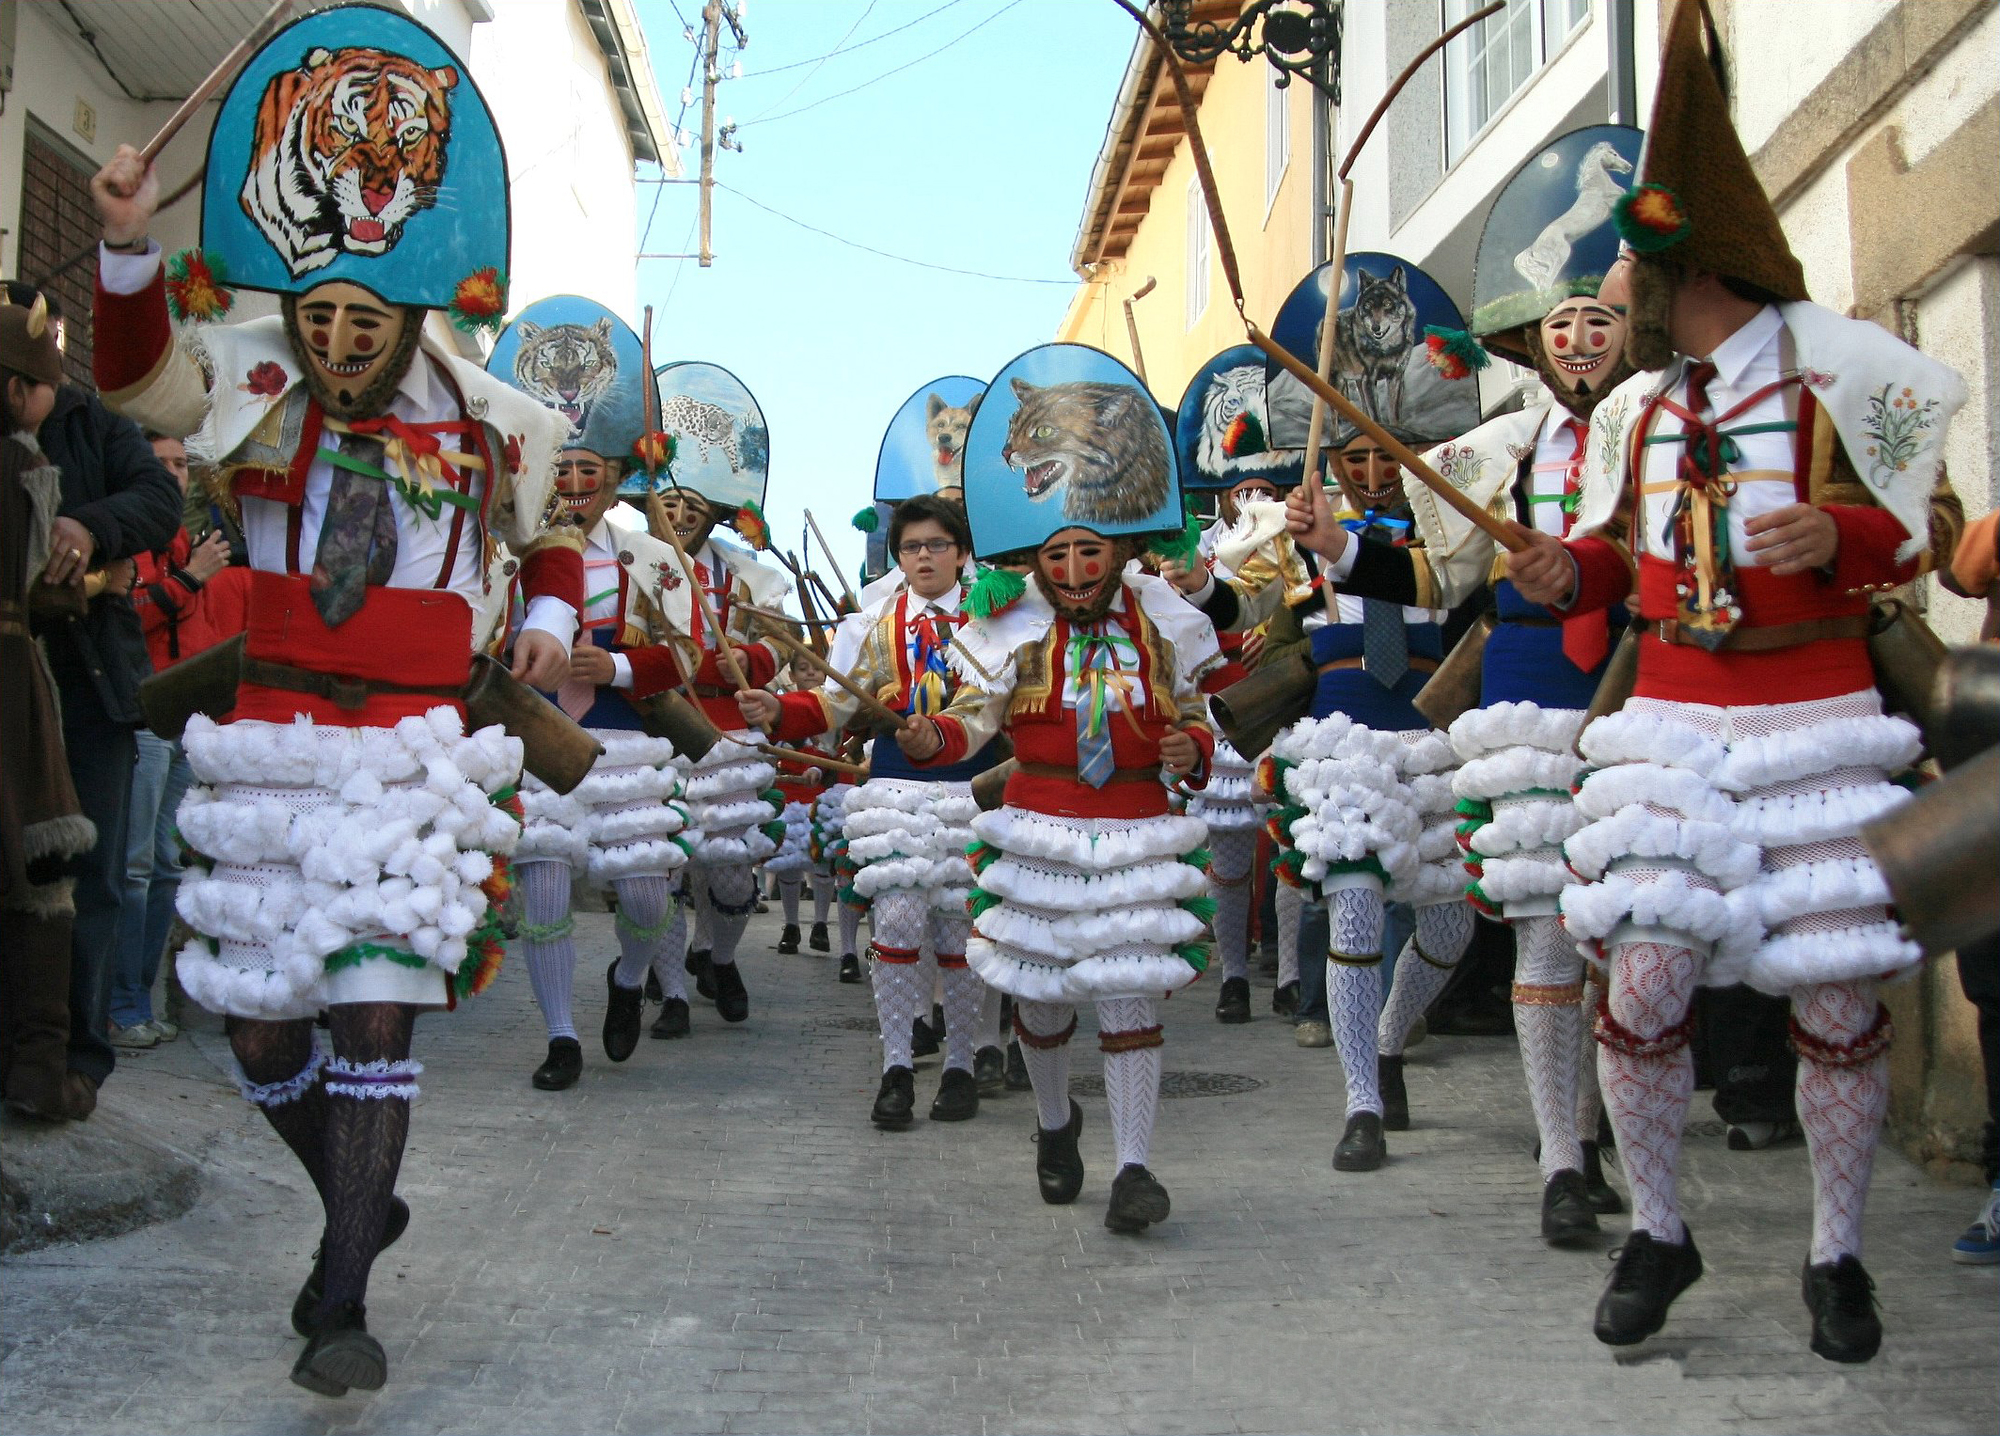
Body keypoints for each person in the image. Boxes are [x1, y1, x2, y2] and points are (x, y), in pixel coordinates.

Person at [87, 4, 582, 1394]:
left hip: (413, 755)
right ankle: (356, 1199)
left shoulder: (497, 418)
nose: (341, 342)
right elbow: (132, 378)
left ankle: (346, 1293)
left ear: (416, 305)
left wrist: (545, 615)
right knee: (261, 1030)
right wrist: (127, 240)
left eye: (367, 321)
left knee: (375, 1011)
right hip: (271, 749)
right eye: (320, 318)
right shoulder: (244, 371)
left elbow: (551, 540)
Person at [1503, 0, 1964, 1361]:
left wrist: (1847, 535)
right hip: (1672, 728)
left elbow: (1931, 532)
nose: (1617, 294)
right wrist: (1565, 576)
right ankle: (1660, 1227)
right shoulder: (1644, 414)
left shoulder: (1841, 380)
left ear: (1690, 265)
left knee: (1833, 1002)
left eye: (1636, 267)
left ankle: (1837, 1260)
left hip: (1813, 717)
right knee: (1638, 987)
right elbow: (1613, 562)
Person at [1279, 125, 1645, 1238]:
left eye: (1602, 321)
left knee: (1624, 939)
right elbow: (1432, 570)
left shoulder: (1665, 430)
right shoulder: (1492, 459)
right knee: (1535, 925)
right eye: (1562, 325)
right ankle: (1558, 1154)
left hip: (1643, 689)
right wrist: (1334, 552)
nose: (1580, 341)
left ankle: (1598, 1127)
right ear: (1533, 339)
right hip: (1521, 692)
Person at [1173, 254, 1484, 1173]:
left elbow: (1469, 592)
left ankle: (1390, 1038)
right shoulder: (1292, 532)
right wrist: (1202, 588)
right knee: (1350, 911)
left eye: (1386, 457)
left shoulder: (1456, 523)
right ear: (1336, 458)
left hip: (1435, 736)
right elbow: (1246, 609)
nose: (1371, 472)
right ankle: (1359, 1102)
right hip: (1341, 742)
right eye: (1354, 457)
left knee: (1449, 924)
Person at [739, 494, 1003, 1126]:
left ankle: (963, 1064)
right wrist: (780, 711)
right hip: (895, 792)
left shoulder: (997, 622)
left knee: (959, 933)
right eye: (912, 547)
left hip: (974, 791)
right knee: (900, 922)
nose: (924, 557)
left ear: (962, 552)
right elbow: (834, 705)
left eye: (937, 545)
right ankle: (896, 1067)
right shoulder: (871, 623)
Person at [484, 297, 695, 1087]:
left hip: (623, 738)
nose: (573, 485)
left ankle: (631, 979)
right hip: (532, 737)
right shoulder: (501, 549)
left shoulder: (649, 558)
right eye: (560, 470)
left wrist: (619, 669)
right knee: (542, 888)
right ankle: (561, 1037)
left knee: (644, 893)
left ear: (614, 479)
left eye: (588, 472)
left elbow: (691, 658)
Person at [3, 281, 183, 1109]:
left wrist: (88, 527)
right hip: (10, 680)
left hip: (86, 680)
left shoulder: (96, 428)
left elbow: (160, 499)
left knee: (95, 874)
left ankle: (78, 1053)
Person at [0, 298, 101, 1121]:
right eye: (39, 386)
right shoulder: (20, 464)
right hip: (8, 683)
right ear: (13, 389)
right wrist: (92, 585)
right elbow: (36, 585)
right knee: (41, 873)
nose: (48, 402)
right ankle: (37, 1069)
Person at [644, 472, 791, 1027]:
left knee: (729, 870)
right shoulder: (630, 560)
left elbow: (782, 643)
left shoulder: (749, 575)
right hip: (655, 723)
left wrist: (746, 662)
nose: (680, 516)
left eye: (694, 506)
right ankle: (673, 992)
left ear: (715, 515)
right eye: (671, 504)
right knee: (662, 870)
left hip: (729, 727)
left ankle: (720, 958)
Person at [110, 432, 234, 1049]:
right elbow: (127, 617)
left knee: (163, 868)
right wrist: (188, 578)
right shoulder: (130, 547)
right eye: (160, 465)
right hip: (142, 720)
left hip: (186, 725)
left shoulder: (192, 545)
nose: (175, 475)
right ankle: (119, 1005)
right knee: (133, 867)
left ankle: (140, 1001)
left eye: (182, 465)